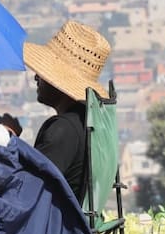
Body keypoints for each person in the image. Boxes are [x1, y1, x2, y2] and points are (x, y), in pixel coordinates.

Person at [23, 20, 112, 201]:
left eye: (43, 73)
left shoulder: (63, 129)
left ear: (59, 82)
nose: (36, 78)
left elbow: (27, 188)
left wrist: (8, 140)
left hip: (58, 227)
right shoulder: (87, 121)